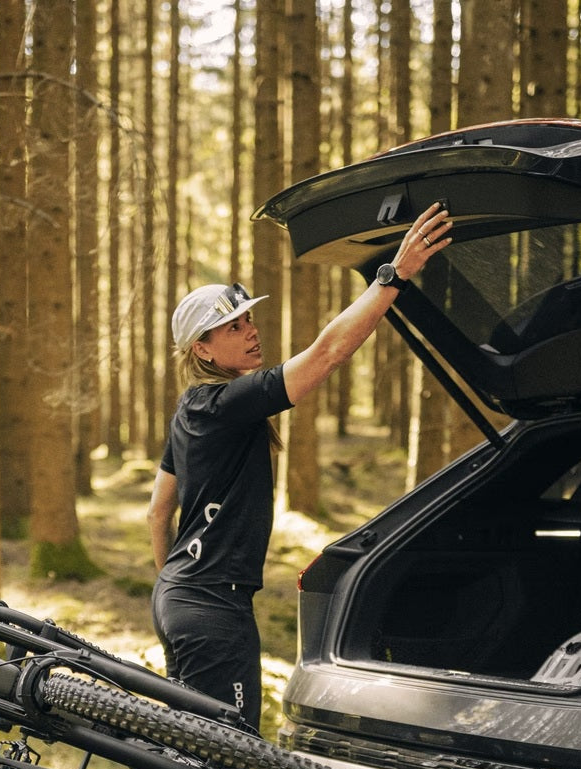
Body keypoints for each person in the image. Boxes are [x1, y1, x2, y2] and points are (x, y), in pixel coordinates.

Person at [147, 201, 454, 729]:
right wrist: (393, 277)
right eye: (234, 326)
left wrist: (175, 587)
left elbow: (157, 513)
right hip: (212, 608)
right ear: (203, 348)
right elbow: (328, 352)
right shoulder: (226, 403)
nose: (251, 331)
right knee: (229, 753)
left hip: (181, 600)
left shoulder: (193, 408)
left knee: (188, 750)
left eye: (249, 319)